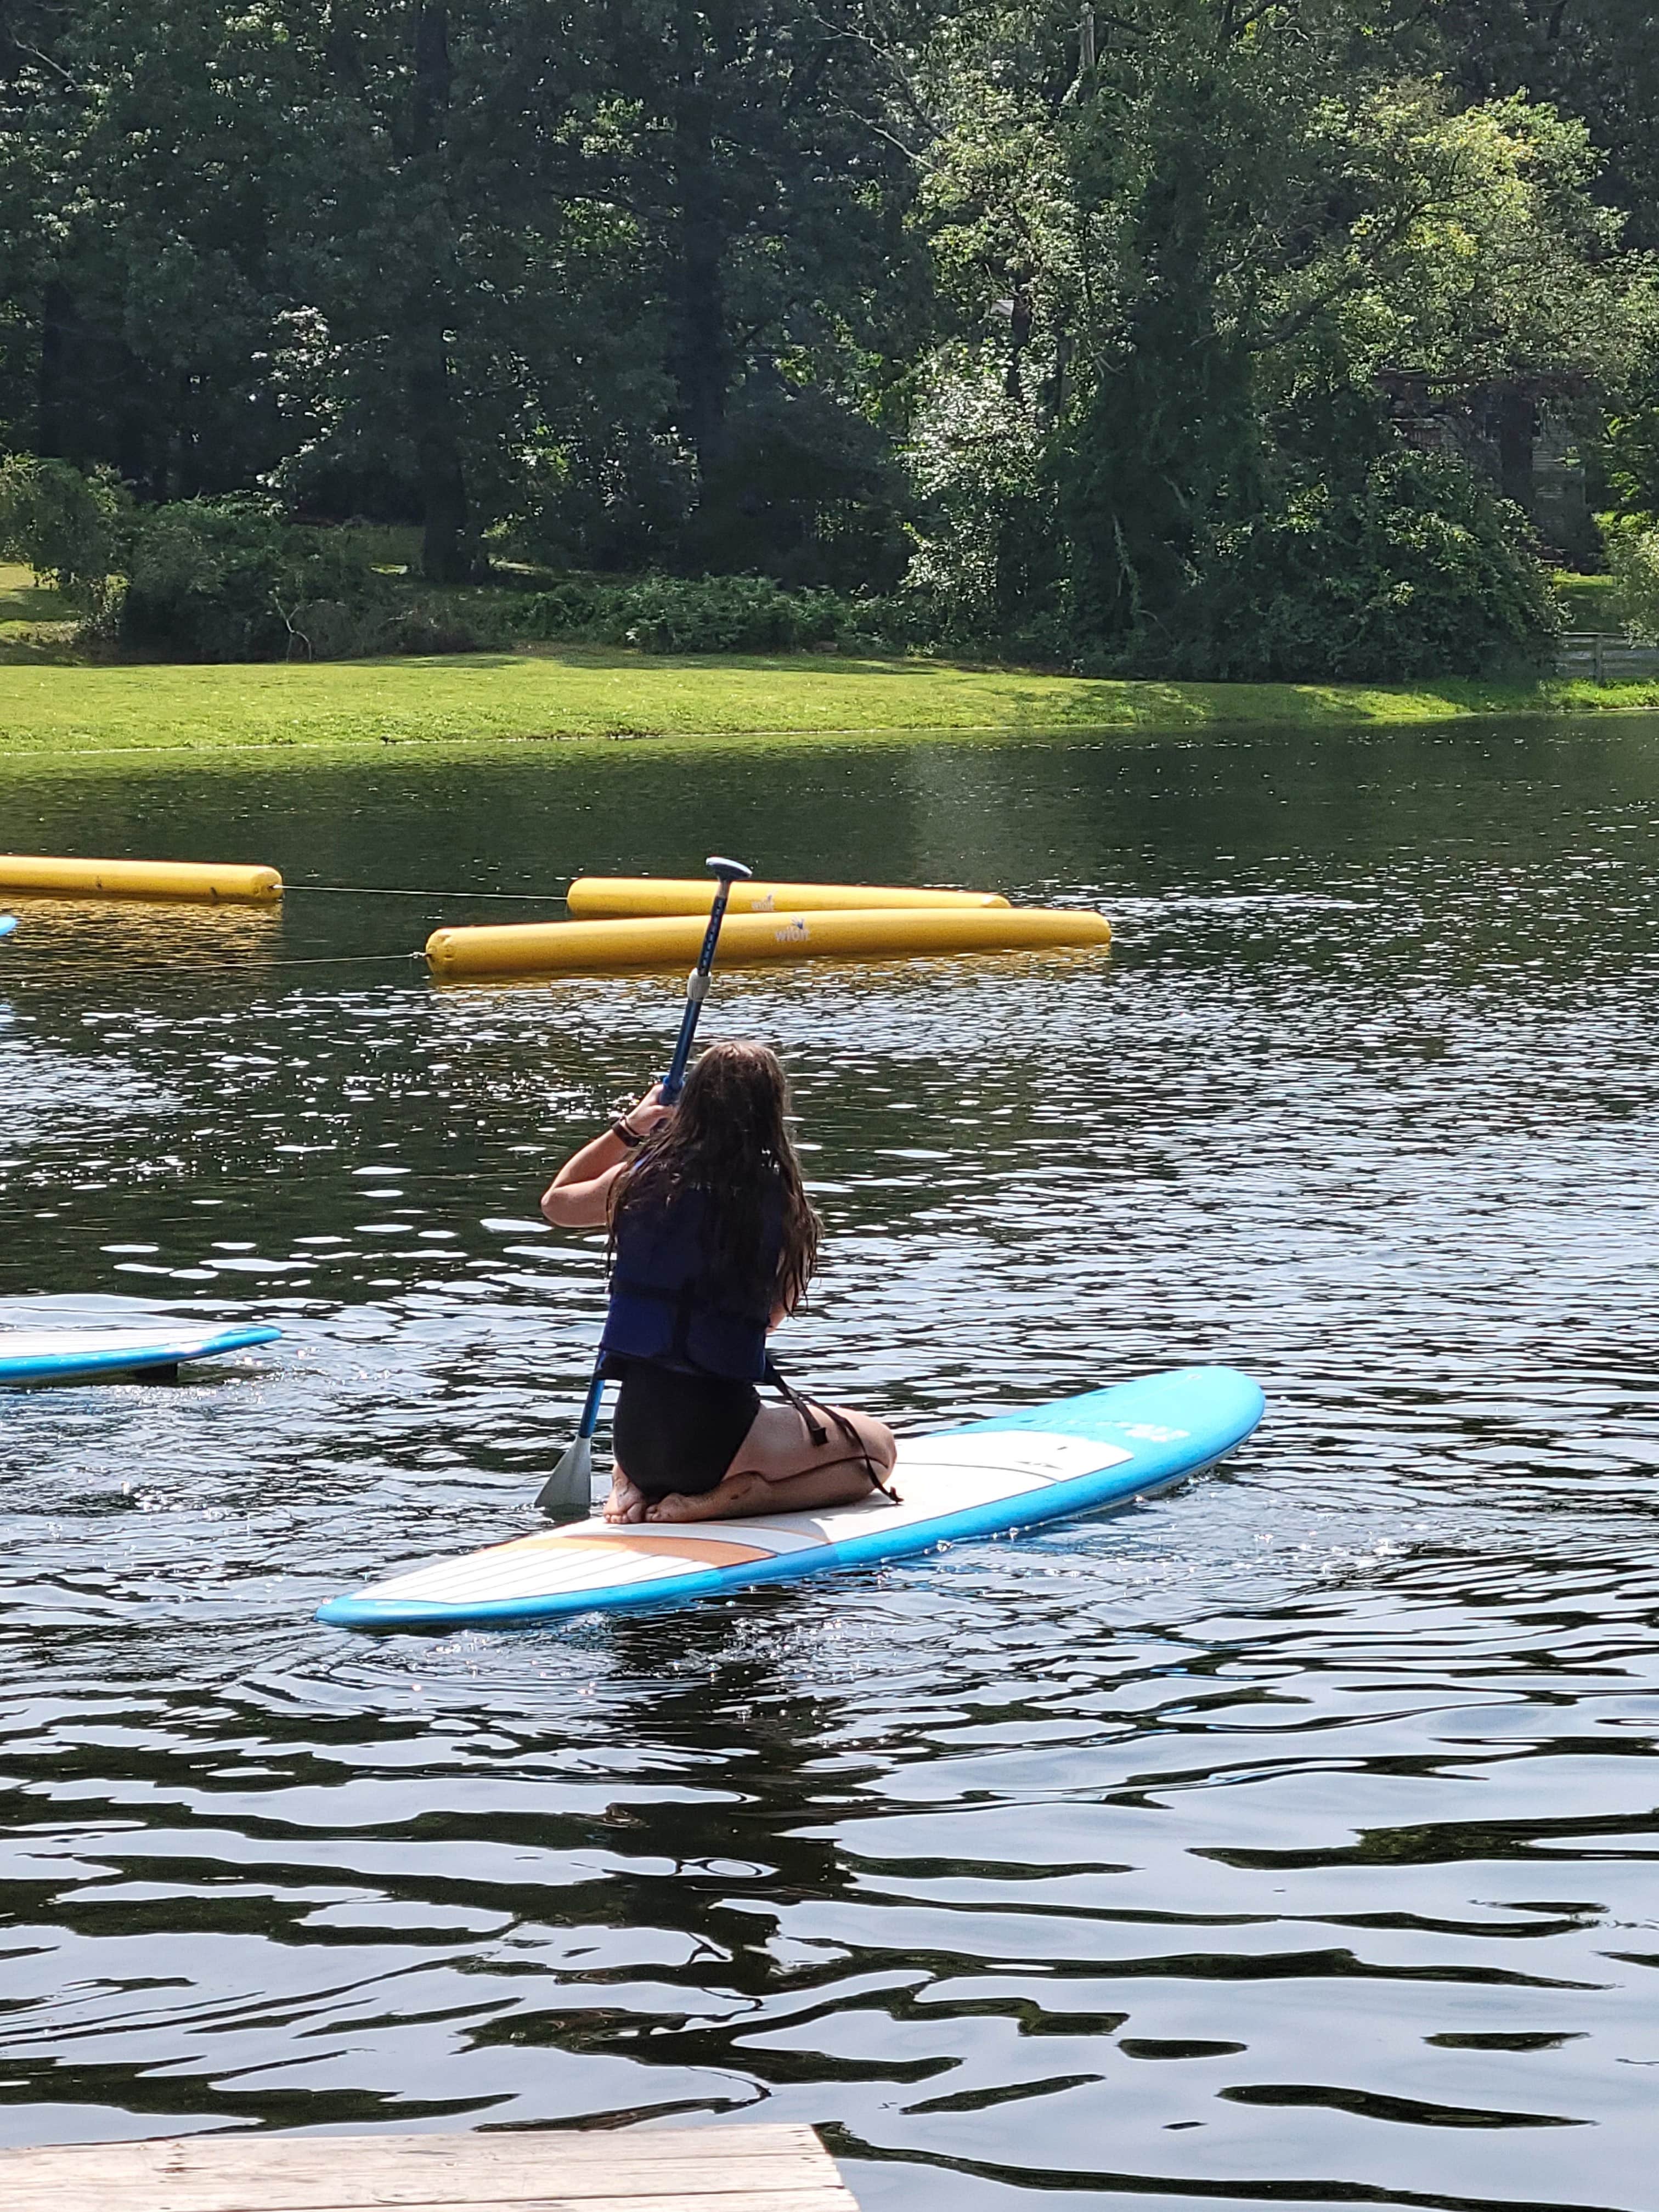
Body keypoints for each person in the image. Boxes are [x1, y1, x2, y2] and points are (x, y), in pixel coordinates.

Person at [540, 1040, 898, 1525]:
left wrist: (631, 1126)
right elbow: (768, 1321)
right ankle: (736, 1497)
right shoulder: (784, 1207)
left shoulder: (638, 1182)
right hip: (716, 1441)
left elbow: (556, 1203)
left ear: (693, 1104)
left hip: (636, 1439)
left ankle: (629, 1487)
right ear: (773, 1111)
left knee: (667, 1400)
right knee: (876, 1453)